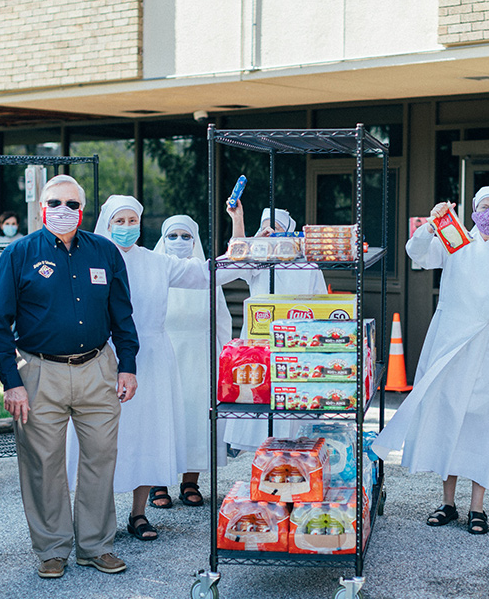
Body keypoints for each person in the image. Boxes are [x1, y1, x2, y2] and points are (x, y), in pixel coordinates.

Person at [0, 175, 138, 579]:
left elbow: (122, 315)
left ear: (82, 210)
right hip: (39, 373)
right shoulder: (18, 254)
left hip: (97, 368)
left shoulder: (104, 252)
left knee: (100, 458)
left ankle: (95, 546)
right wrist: (11, 383)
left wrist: (128, 365)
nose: (64, 210)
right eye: (55, 202)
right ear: (41, 208)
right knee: (43, 463)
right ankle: (52, 548)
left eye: (72, 204)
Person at [372, 187, 489, 535]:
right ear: (473, 210)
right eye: (484, 207)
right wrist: (430, 225)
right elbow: (416, 253)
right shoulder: (455, 239)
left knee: (481, 421)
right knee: (447, 416)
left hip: (487, 342)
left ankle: (478, 506)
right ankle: (448, 503)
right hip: (448, 338)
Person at [66, 196, 212, 541]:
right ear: (107, 223)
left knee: (148, 433)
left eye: (133, 220)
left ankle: (139, 513)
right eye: (120, 221)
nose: (127, 227)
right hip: (101, 357)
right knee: (103, 437)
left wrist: (240, 233)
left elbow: (205, 273)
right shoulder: (87, 258)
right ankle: (100, 516)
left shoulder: (157, 262)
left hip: (153, 357)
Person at [150, 214, 239, 509]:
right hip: (164, 351)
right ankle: (157, 483)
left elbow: (222, 320)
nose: (179, 242)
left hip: (201, 356)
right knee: (162, 418)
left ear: (195, 240)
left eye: (185, 236)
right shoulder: (154, 271)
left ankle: (191, 481)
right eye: (172, 236)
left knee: (197, 419)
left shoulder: (206, 275)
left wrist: (226, 359)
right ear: (162, 239)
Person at [223, 206, 327, 454]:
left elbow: (321, 304)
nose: (270, 234)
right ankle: (264, 464)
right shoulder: (256, 263)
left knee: (293, 408)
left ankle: (294, 460)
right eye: (265, 228)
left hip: (297, 342)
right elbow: (237, 255)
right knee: (261, 398)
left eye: (277, 228)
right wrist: (239, 219)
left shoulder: (309, 266)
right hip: (258, 345)